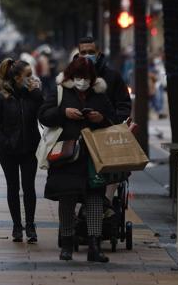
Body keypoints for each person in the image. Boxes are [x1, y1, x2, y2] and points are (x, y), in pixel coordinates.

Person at [38, 57, 115, 263]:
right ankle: (67, 245)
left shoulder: (99, 94)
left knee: (96, 200)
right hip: (67, 156)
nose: (83, 81)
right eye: (79, 77)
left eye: (87, 77)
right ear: (72, 76)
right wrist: (63, 112)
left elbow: (113, 119)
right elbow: (43, 115)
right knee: (67, 200)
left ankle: (94, 247)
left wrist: (101, 119)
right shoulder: (61, 91)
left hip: (93, 156)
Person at [0, 59, 43, 243]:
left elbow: (44, 114)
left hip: (29, 149)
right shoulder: (2, 98)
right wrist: (5, 142)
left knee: (29, 187)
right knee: (13, 187)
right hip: (8, 152)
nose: (31, 78)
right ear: (17, 77)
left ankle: (31, 225)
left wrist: (36, 93)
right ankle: (17, 226)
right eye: (27, 75)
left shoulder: (32, 95)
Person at [77, 36, 131, 123]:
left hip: (105, 134)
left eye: (91, 52)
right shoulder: (68, 78)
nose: (87, 56)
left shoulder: (113, 77)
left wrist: (104, 120)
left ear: (98, 53)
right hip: (76, 133)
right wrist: (65, 112)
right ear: (78, 54)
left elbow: (123, 108)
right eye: (83, 52)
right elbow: (50, 111)